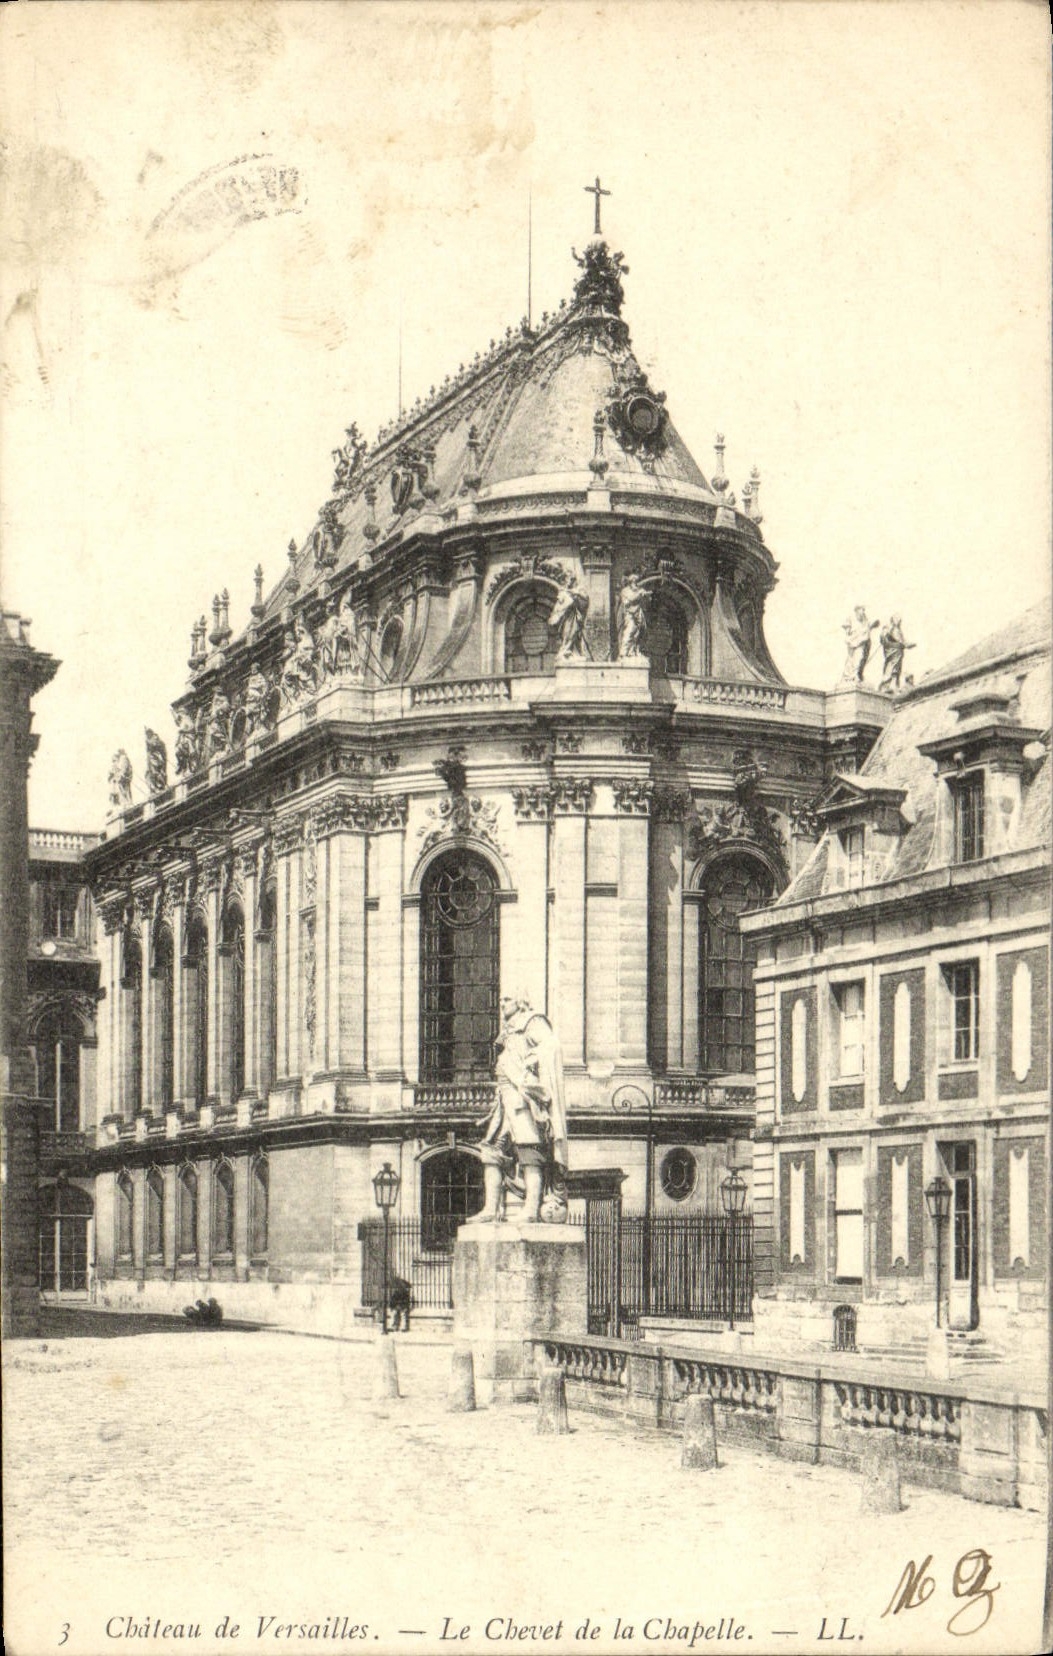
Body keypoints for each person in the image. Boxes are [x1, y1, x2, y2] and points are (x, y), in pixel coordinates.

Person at [476, 994, 568, 1224]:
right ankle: (490, 1209)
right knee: (491, 1151)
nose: (501, 1003)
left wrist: (531, 1060)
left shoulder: (532, 1021)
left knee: (530, 1151)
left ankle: (530, 1208)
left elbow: (552, 1045)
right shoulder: (508, 1029)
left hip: (522, 1098)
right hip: (504, 1100)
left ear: (520, 1001)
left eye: (507, 999)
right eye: (501, 1000)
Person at [839, 605, 879, 684]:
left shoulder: (865, 619)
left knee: (860, 658)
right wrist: (848, 633)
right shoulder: (851, 618)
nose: (863, 612)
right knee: (852, 659)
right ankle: (850, 676)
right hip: (853, 641)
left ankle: (855, 675)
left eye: (864, 610)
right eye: (862, 610)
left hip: (862, 641)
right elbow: (847, 628)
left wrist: (874, 624)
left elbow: (869, 627)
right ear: (857, 610)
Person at [547, 586, 589, 661]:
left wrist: (576, 593)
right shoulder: (567, 595)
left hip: (573, 620)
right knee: (566, 634)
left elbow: (582, 601)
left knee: (571, 635)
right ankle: (566, 651)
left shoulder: (575, 596)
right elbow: (560, 607)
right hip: (568, 620)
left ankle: (568, 652)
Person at [878, 615, 915, 692]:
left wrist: (907, 644)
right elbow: (885, 638)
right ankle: (885, 685)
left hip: (898, 652)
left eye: (899, 620)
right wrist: (906, 645)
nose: (899, 621)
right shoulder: (890, 629)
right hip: (892, 652)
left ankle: (894, 685)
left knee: (896, 669)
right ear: (893, 620)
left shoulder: (898, 630)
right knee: (891, 668)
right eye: (897, 619)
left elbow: (902, 641)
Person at [617, 572, 650, 658]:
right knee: (630, 631)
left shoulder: (638, 590)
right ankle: (623, 652)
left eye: (636, 582)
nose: (635, 584)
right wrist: (639, 594)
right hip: (629, 614)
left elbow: (646, 602)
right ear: (630, 582)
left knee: (639, 632)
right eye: (633, 581)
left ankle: (633, 651)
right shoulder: (625, 591)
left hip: (638, 613)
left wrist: (645, 596)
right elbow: (628, 601)